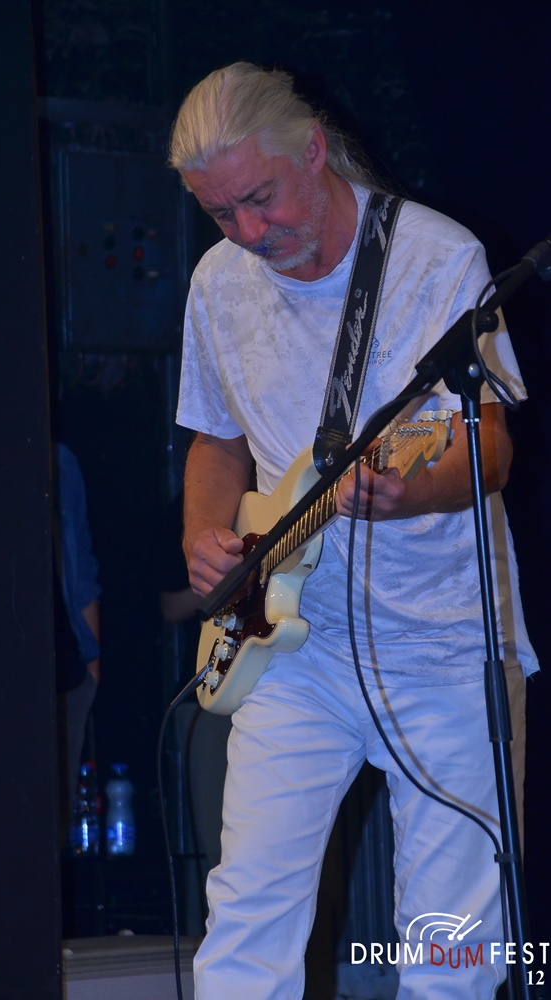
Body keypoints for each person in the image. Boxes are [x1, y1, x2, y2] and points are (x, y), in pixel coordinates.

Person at [168, 62, 538, 998]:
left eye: (259, 198)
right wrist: (204, 535)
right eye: (219, 212)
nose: (248, 233)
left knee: (451, 950)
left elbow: (491, 445)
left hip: (444, 648)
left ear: (313, 150)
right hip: (290, 647)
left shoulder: (437, 259)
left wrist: (412, 494)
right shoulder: (217, 283)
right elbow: (215, 440)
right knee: (246, 916)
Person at [52, 441, 102, 843]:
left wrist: (92, 668)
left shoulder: (58, 461)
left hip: (64, 672)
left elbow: (80, 565)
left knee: (54, 828)